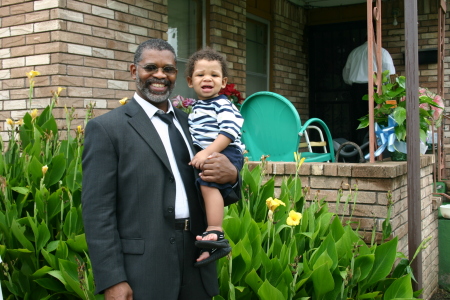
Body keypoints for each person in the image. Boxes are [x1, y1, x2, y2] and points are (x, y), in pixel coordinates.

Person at [81, 38, 241, 300]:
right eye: (150, 67)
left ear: (176, 75)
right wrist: (112, 279)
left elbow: (218, 187)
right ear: (135, 71)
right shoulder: (108, 129)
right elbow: (98, 212)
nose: (159, 75)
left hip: (196, 261)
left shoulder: (193, 123)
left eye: (168, 69)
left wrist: (232, 175)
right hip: (143, 270)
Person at [185, 48, 244, 267]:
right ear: (190, 82)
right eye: (200, 74)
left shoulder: (222, 104)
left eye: (214, 75)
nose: (207, 78)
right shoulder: (198, 107)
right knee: (205, 187)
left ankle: (216, 230)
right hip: (213, 150)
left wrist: (207, 152)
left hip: (226, 151)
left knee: (208, 184)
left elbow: (229, 132)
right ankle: (212, 243)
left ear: (223, 81)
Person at [342, 41, 396, 144]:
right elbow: (390, 72)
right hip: (375, 87)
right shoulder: (382, 52)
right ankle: (375, 147)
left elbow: (346, 74)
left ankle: (357, 148)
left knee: (358, 119)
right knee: (376, 118)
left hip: (356, 88)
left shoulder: (354, 52)